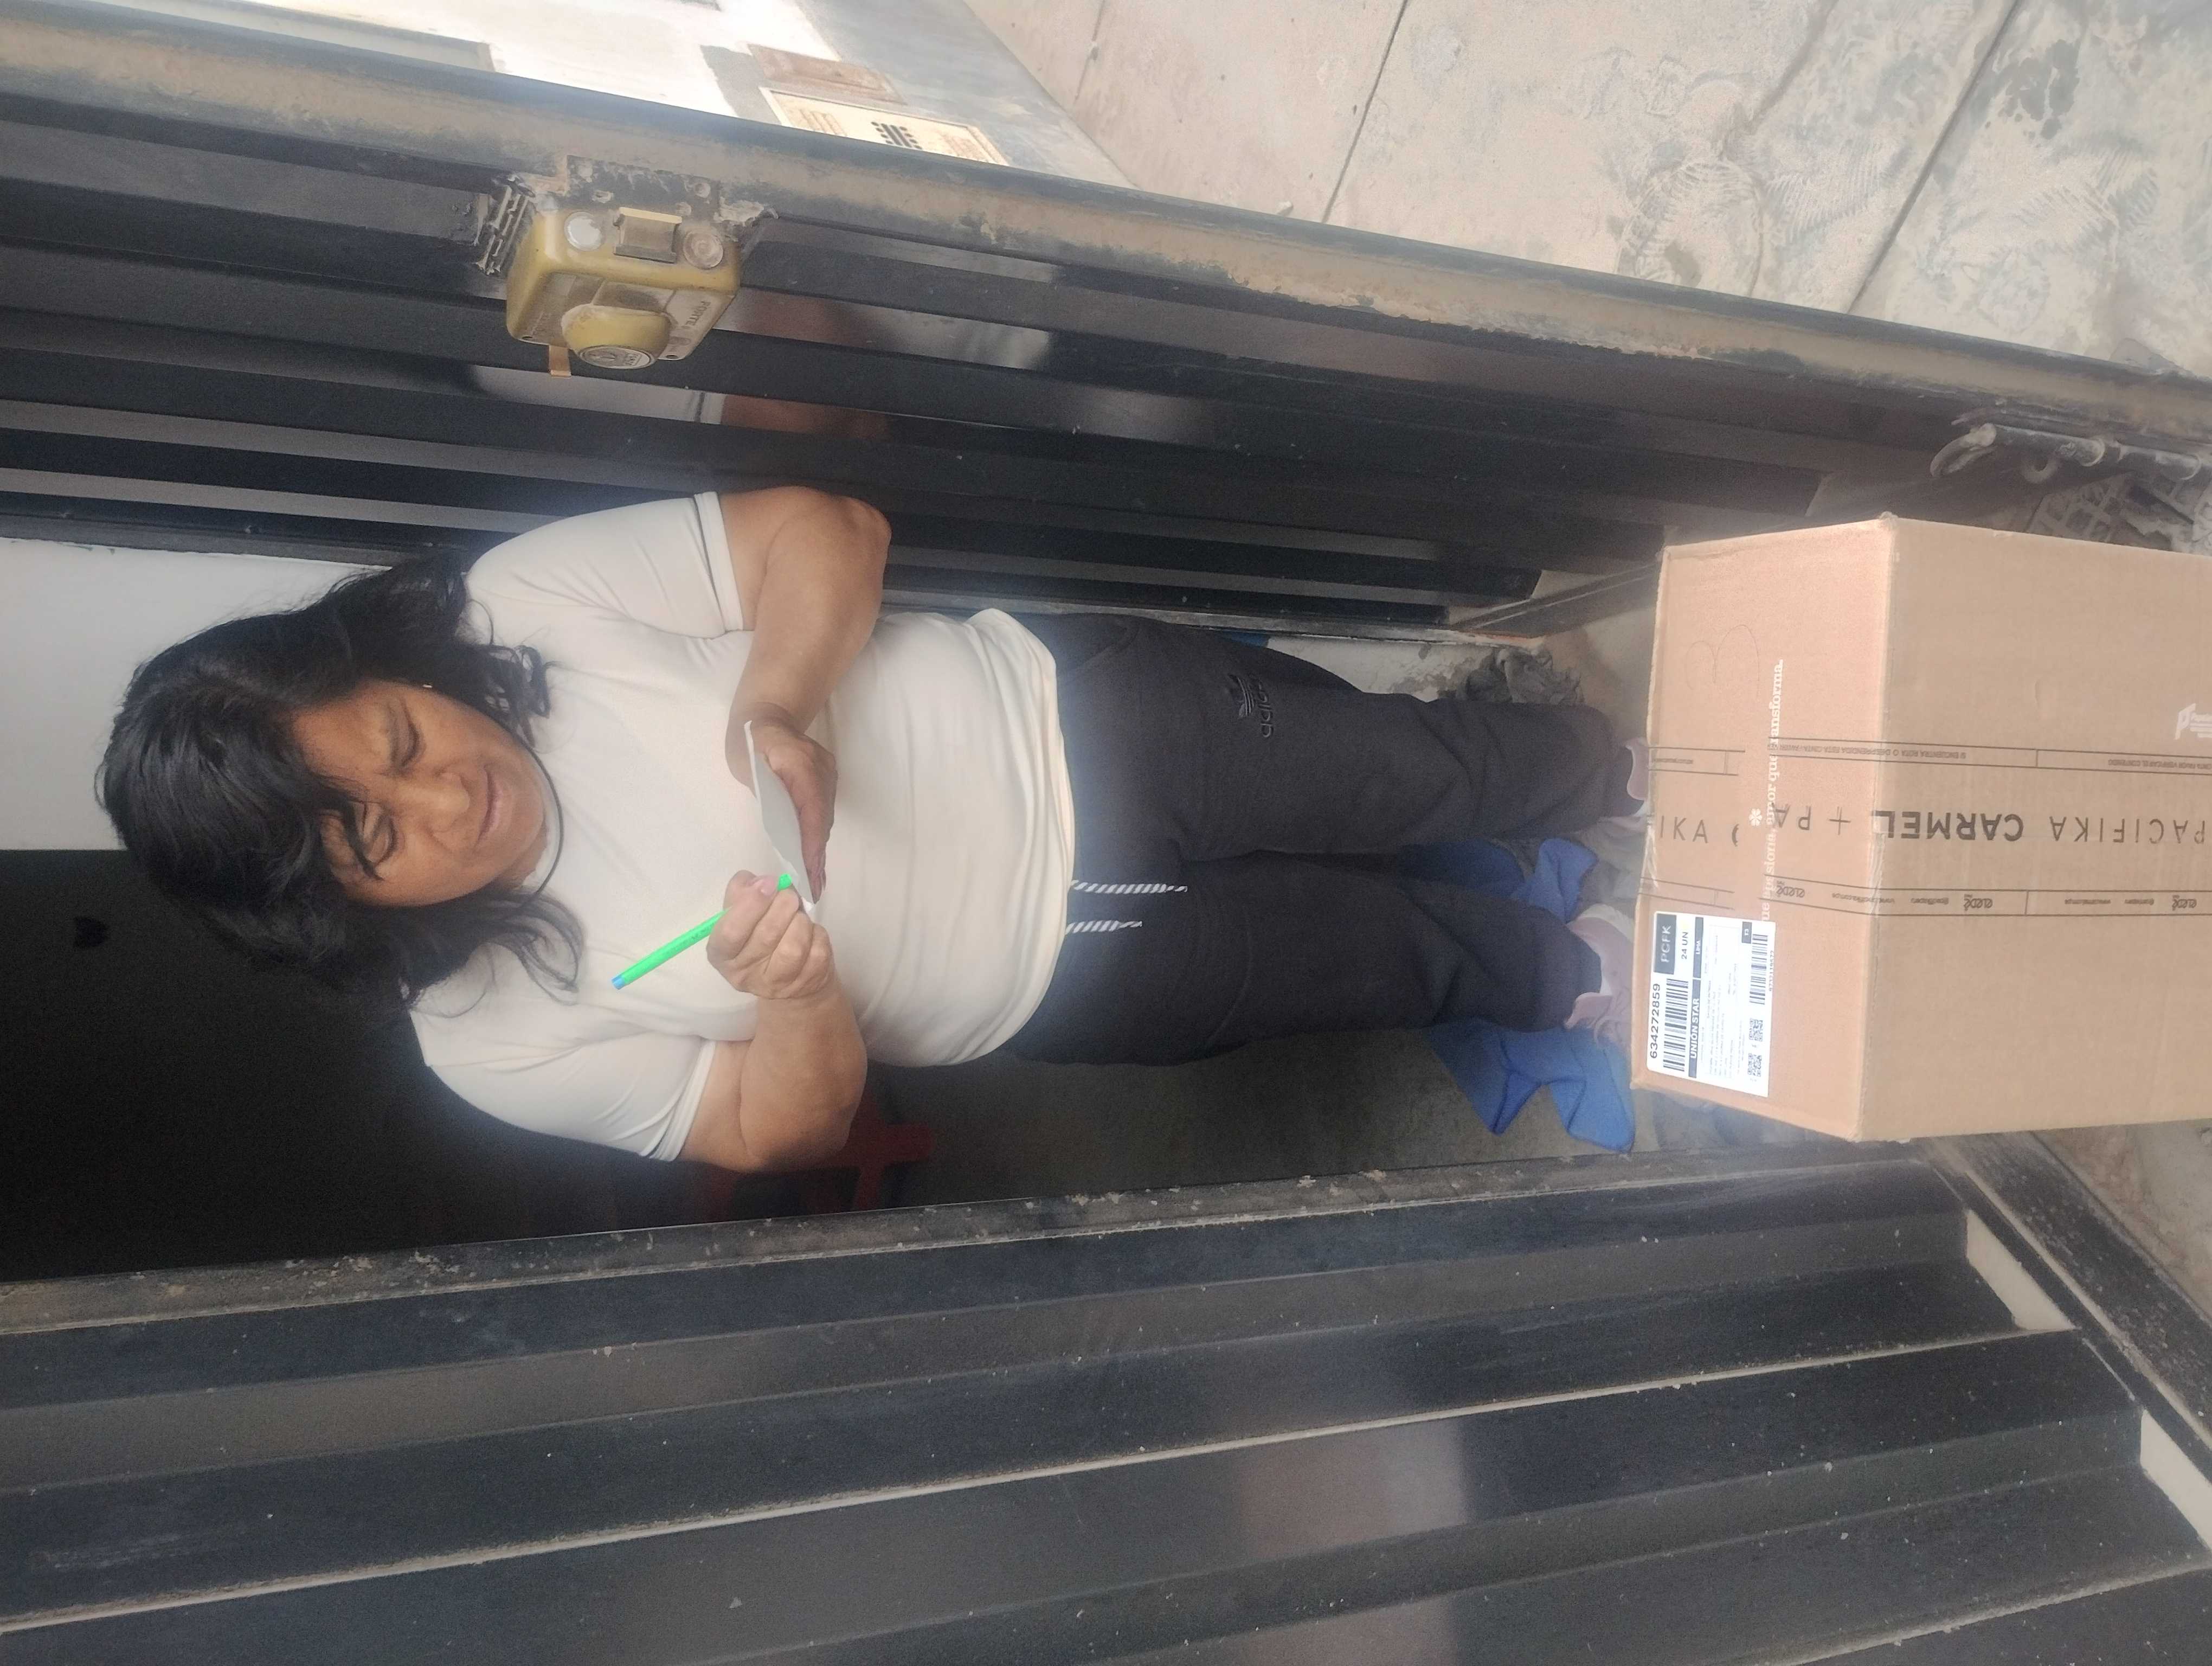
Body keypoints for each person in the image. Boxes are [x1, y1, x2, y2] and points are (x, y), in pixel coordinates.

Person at [100, 490, 1643, 1172]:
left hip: (1074, 717)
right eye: (381, 841)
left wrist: (779, 697)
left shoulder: (517, 606)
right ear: (348, 914)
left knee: (1403, 770)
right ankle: (1569, 974)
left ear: (387, 669)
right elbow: (774, 1132)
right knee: (1371, 961)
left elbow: (827, 532)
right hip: (1064, 969)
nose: (451, 795)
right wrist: (795, 997)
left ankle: (1613, 773)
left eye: (401, 737)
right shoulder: (485, 1039)